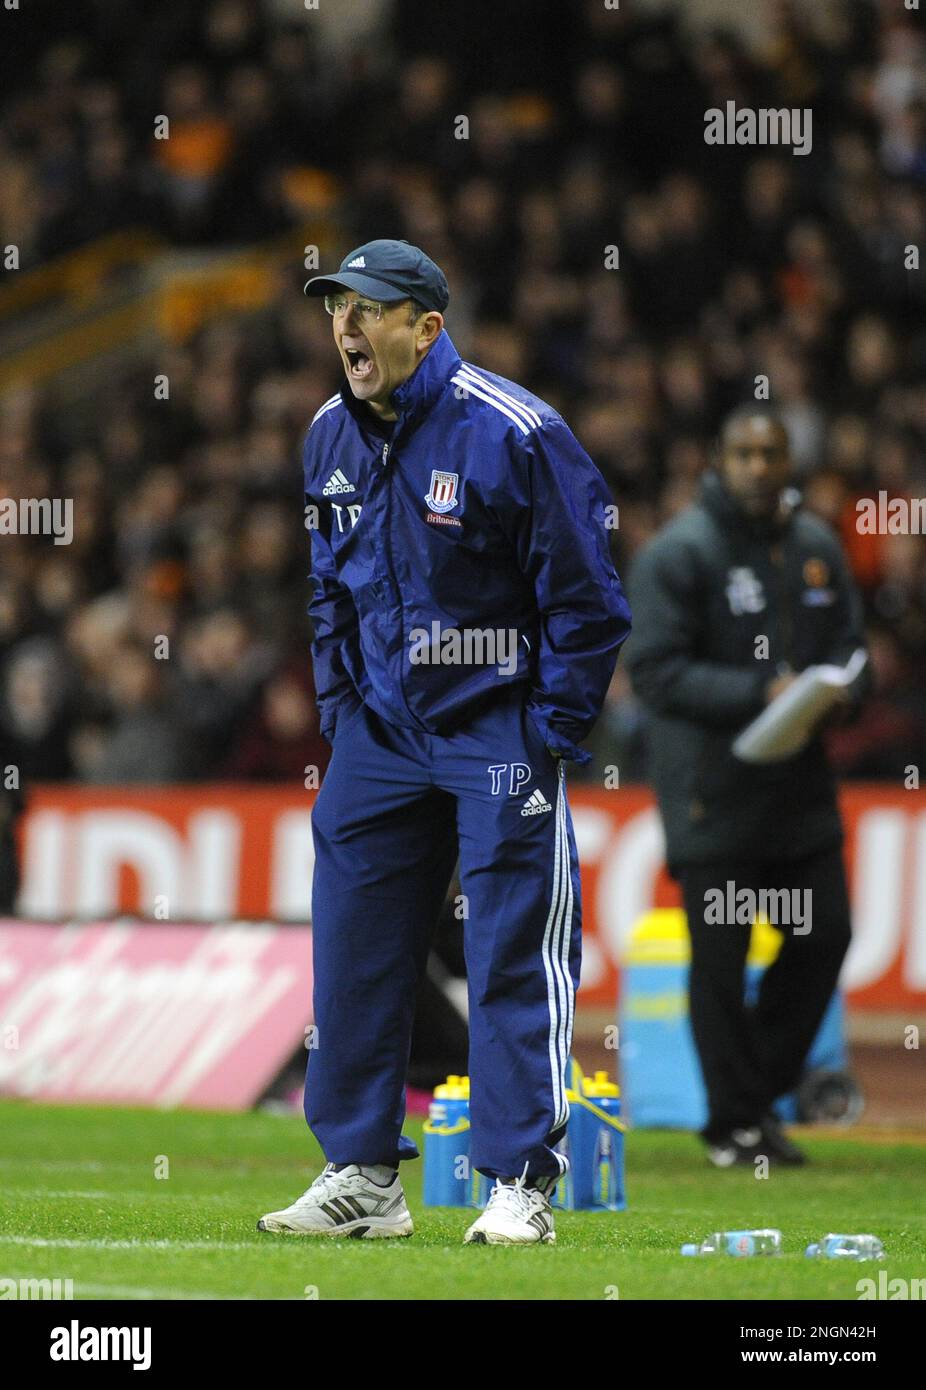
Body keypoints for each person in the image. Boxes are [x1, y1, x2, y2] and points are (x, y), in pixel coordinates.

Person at [258, 239, 631, 1243]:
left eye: (366, 308)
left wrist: (543, 730)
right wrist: (341, 713)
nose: (343, 325)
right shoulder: (326, 434)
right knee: (353, 952)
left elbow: (589, 601)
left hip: (492, 732)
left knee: (509, 947)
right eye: (334, 307)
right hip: (377, 738)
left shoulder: (515, 432)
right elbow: (327, 588)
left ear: (424, 328)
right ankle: (363, 1175)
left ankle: (519, 1182)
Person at [625, 405, 868, 1168]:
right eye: (745, 454)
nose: (760, 467)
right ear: (719, 461)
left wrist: (840, 693)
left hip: (799, 791)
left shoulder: (816, 549)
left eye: (772, 453)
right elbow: (654, 672)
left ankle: (752, 1094)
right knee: (721, 956)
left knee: (824, 932)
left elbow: (852, 649)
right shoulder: (680, 554)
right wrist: (760, 692)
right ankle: (735, 1123)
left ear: (790, 460)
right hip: (713, 792)